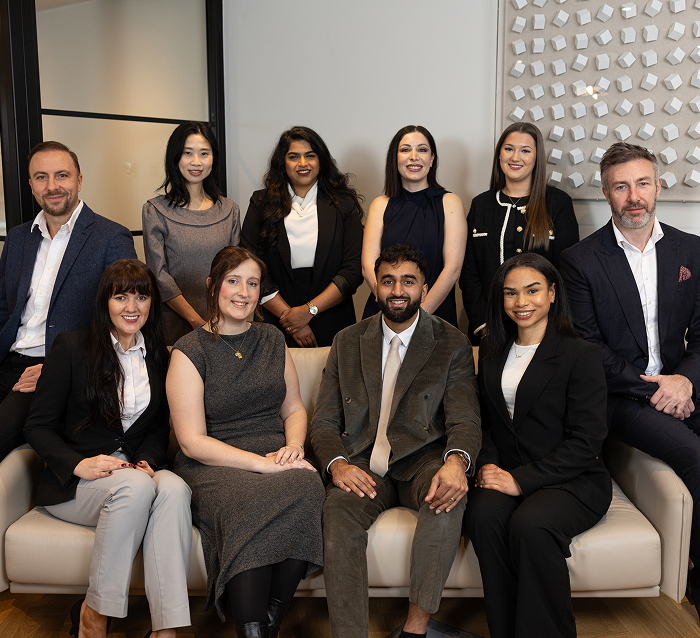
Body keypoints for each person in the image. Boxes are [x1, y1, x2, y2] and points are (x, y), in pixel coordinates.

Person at [559, 141, 700, 618]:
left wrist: (685, 382)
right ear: (606, 193)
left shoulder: (690, 249)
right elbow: (589, 349)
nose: (633, 196)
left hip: (682, 383)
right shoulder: (580, 260)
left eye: (642, 183)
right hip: (621, 396)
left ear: (658, 186)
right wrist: (657, 388)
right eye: (621, 187)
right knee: (693, 454)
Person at [311, 244, 481, 638]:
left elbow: (465, 418)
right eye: (388, 281)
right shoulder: (347, 341)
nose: (398, 290)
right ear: (376, 288)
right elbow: (324, 421)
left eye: (408, 281)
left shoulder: (451, 342)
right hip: (362, 463)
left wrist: (456, 463)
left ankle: (414, 631)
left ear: (424, 288)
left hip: (424, 461)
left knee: (447, 499)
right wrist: (338, 465)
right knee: (337, 511)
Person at [23, 259, 192, 638]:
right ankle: (94, 614)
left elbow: (156, 426)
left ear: (152, 304)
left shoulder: (160, 355)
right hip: (75, 485)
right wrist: (77, 463)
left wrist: (147, 461)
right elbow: (36, 426)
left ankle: (167, 630)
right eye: (121, 297)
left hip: (132, 475)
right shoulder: (71, 347)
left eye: (141, 297)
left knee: (175, 488)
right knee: (136, 487)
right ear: (105, 301)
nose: (132, 307)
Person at [167, 246, 324, 638]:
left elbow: (294, 408)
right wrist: (263, 465)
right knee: (246, 501)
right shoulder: (189, 351)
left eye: (252, 283)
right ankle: (253, 628)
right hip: (213, 463)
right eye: (233, 281)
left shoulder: (272, 339)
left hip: (272, 452)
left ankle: (266, 624)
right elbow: (191, 442)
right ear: (212, 286)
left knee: (308, 485)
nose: (243, 292)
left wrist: (294, 447)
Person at [464, 253, 611, 638]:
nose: (521, 302)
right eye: (510, 293)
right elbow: (484, 421)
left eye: (532, 291)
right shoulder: (491, 352)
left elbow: (587, 441)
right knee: (482, 515)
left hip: (572, 479)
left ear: (552, 293)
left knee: (531, 525)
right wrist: (488, 465)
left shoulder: (581, 354)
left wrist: (521, 481)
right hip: (505, 471)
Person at [0, 141, 136, 461]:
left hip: (55, 368)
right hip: (8, 360)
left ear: (79, 180)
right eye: (41, 177)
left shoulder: (110, 237)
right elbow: (4, 309)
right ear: (31, 185)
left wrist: (56, 369)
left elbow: (124, 322)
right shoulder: (18, 238)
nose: (52, 186)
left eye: (62, 175)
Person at [241, 126, 363, 348]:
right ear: (282, 162)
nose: (303, 163)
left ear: (321, 161)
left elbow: (353, 269)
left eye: (310, 156)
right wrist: (291, 320)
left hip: (333, 318)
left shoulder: (343, 204)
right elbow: (251, 266)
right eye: (294, 157)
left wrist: (309, 311)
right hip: (276, 319)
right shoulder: (261, 203)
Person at [459, 122, 579, 345]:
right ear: (499, 154)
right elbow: (469, 273)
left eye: (525, 150)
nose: (515, 157)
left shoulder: (558, 203)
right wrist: (484, 326)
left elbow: (567, 273)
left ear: (536, 158)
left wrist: (550, 328)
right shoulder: (481, 205)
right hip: (490, 331)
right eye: (509, 149)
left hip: (544, 331)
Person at [143, 121, 240, 345]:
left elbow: (235, 272)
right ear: (175, 157)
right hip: (174, 324)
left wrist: (218, 320)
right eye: (188, 153)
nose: (196, 162)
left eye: (204, 153)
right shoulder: (155, 210)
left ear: (213, 158)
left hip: (223, 322)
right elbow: (158, 274)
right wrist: (196, 321)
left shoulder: (229, 210)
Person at [361, 125, 467, 326]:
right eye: (405, 150)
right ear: (395, 158)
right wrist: (392, 308)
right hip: (384, 313)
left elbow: (452, 269)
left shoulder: (450, 203)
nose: (414, 157)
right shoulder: (380, 205)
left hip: (434, 314)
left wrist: (417, 317)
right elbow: (368, 266)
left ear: (432, 159)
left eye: (422, 150)